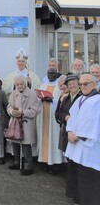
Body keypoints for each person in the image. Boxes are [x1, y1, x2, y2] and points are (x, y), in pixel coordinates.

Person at [65, 74, 100, 205]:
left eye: (86, 84)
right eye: (80, 84)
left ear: (94, 84)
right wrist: (69, 132)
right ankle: (78, 197)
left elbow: (94, 122)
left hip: (89, 145)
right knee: (78, 173)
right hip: (76, 143)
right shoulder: (81, 99)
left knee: (89, 176)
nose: (82, 86)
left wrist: (79, 135)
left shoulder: (97, 100)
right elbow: (71, 117)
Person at [7, 75, 39, 175]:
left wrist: (22, 112)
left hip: (26, 122)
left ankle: (28, 166)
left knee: (26, 145)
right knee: (15, 142)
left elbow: (34, 110)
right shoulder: (13, 93)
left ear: (25, 84)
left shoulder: (32, 94)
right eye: (17, 84)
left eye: (21, 84)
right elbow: (9, 106)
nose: (19, 86)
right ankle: (17, 162)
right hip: (15, 121)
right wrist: (12, 112)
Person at [36, 68, 65, 174]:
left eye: (52, 73)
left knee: (54, 139)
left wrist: (52, 100)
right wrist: (41, 98)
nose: (50, 75)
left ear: (56, 74)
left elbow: (62, 101)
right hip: (43, 116)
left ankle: (56, 163)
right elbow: (37, 99)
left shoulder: (59, 87)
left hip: (54, 120)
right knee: (43, 139)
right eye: (48, 73)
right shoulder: (43, 86)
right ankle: (44, 162)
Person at [55, 74, 81, 153]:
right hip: (66, 132)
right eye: (69, 84)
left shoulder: (83, 97)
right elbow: (57, 114)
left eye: (74, 83)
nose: (72, 86)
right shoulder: (64, 98)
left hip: (78, 133)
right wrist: (65, 116)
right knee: (69, 160)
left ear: (78, 84)